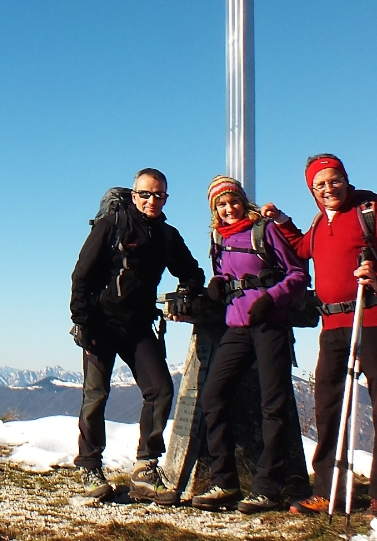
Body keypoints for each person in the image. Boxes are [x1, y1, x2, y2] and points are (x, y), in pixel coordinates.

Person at [278, 154, 377, 521]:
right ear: (312, 191)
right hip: (333, 325)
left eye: (334, 180)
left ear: (346, 180)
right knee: (328, 407)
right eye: (319, 184)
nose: (328, 188)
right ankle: (327, 491)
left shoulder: (371, 212)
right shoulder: (321, 222)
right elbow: (302, 248)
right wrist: (281, 222)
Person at [69, 168, 204, 502]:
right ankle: (90, 466)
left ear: (166, 198)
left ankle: (146, 467)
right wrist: (84, 322)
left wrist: (186, 291)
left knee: (159, 389)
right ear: (134, 195)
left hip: (139, 325)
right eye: (145, 194)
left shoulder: (166, 236)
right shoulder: (111, 226)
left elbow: (192, 271)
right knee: (95, 394)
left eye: (158, 195)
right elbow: (82, 275)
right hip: (101, 323)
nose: (151, 200)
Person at [192, 176, 307, 514]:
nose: (229, 209)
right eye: (221, 205)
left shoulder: (264, 231)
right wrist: (216, 284)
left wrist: (271, 299)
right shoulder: (218, 237)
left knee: (272, 403)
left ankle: (267, 488)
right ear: (215, 209)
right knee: (213, 395)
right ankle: (224, 481)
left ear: (243, 201)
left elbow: (298, 275)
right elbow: (223, 273)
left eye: (233, 201)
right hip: (237, 326)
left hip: (270, 323)